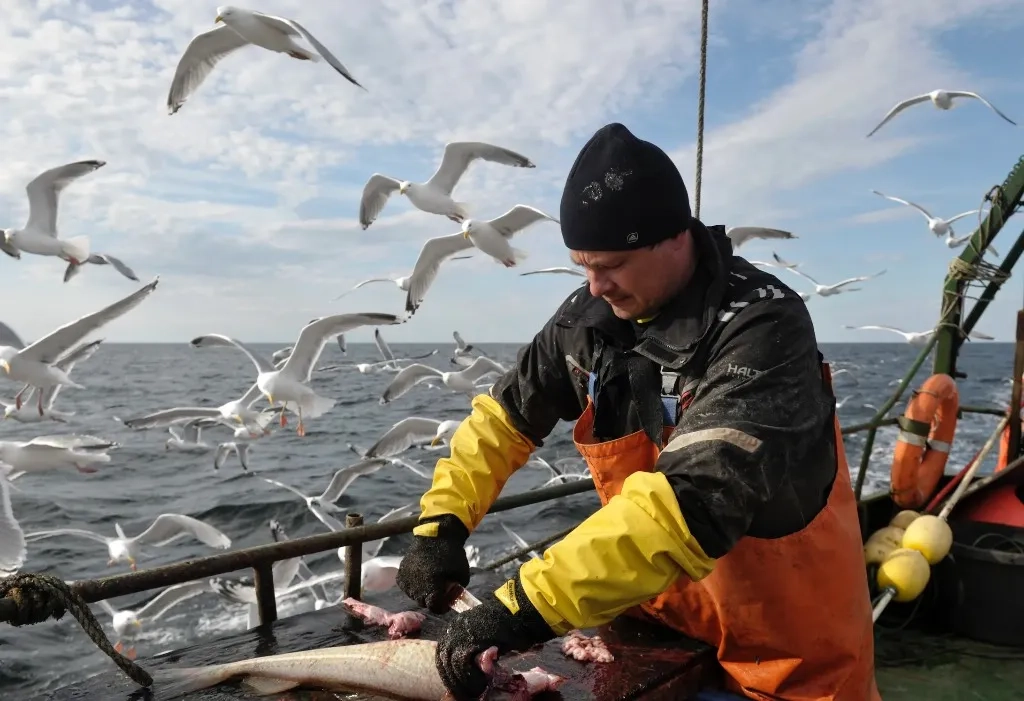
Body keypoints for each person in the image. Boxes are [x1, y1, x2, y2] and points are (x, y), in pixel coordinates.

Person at [395, 122, 880, 701]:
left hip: (787, 652)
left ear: (675, 237)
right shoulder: (587, 323)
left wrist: (524, 606)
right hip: (653, 631)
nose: (596, 286)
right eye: (582, 265)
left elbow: (693, 500)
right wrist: (441, 523)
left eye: (612, 265)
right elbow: (505, 419)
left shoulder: (763, 327)